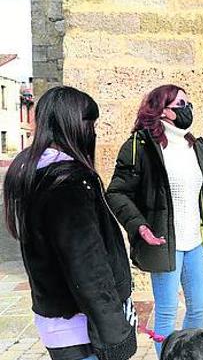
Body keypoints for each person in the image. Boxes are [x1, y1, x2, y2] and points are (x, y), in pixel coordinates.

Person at [106, 84, 203, 357]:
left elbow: (197, 193)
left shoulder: (194, 145)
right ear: (162, 110)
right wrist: (140, 226)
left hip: (193, 241)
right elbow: (116, 193)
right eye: (180, 104)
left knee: (198, 309)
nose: (187, 109)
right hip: (164, 242)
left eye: (188, 104)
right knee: (167, 312)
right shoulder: (141, 146)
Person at [3, 86, 137, 360]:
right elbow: (88, 266)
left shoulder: (36, 174)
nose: (94, 132)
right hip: (83, 327)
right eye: (90, 124)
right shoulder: (66, 183)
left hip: (60, 323)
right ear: (72, 125)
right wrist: (116, 335)